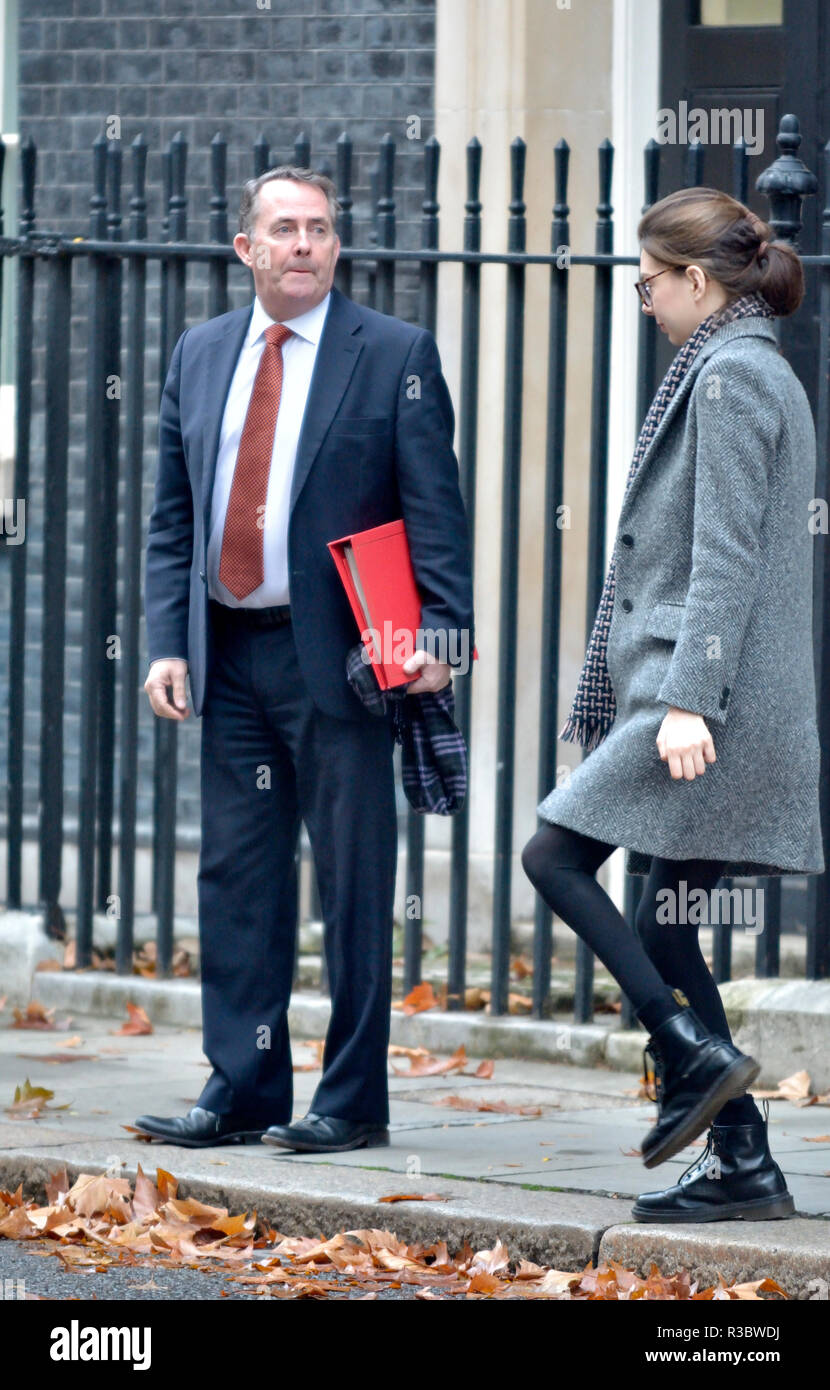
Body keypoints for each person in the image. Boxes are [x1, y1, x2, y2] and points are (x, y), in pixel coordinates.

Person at [135, 166, 474, 1154]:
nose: (304, 245)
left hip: (342, 659)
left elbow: (434, 513)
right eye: (283, 229)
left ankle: (351, 1100)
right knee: (236, 877)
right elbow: (172, 518)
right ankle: (242, 1087)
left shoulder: (394, 353)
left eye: (319, 229)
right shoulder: (200, 355)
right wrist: (166, 639)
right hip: (227, 650)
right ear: (245, 248)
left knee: (354, 879)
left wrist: (441, 638)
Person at [522, 187, 824, 1223]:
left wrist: (689, 699)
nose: (641, 300)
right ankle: (743, 1158)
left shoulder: (730, 379)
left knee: (551, 855)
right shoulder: (745, 366)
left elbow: (727, 557)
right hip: (718, 696)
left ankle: (687, 1053)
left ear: (696, 281)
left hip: (701, 702)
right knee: (663, 924)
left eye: (649, 283)